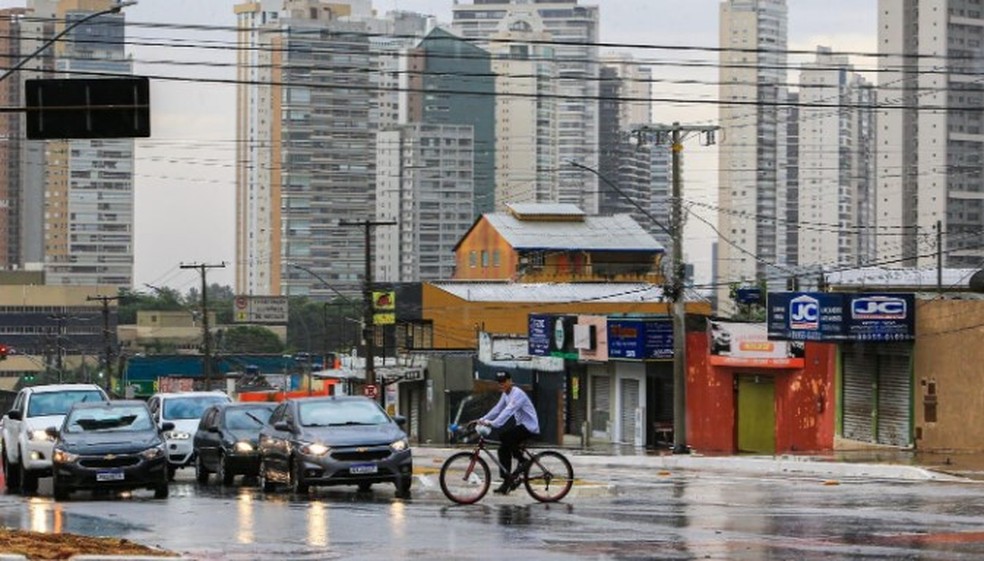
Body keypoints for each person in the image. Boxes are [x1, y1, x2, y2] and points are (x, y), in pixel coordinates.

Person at [477, 371, 540, 494]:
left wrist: (493, 423)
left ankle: (523, 461)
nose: (502, 384)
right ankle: (507, 481)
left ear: (510, 381)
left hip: (530, 427)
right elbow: (497, 409)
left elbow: (507, 411)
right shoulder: (506, 394)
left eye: (504, 381)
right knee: (502, 449)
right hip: (521, 426)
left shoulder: (517, 394)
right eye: (499, 382)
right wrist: (482, 419)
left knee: (505, 436)